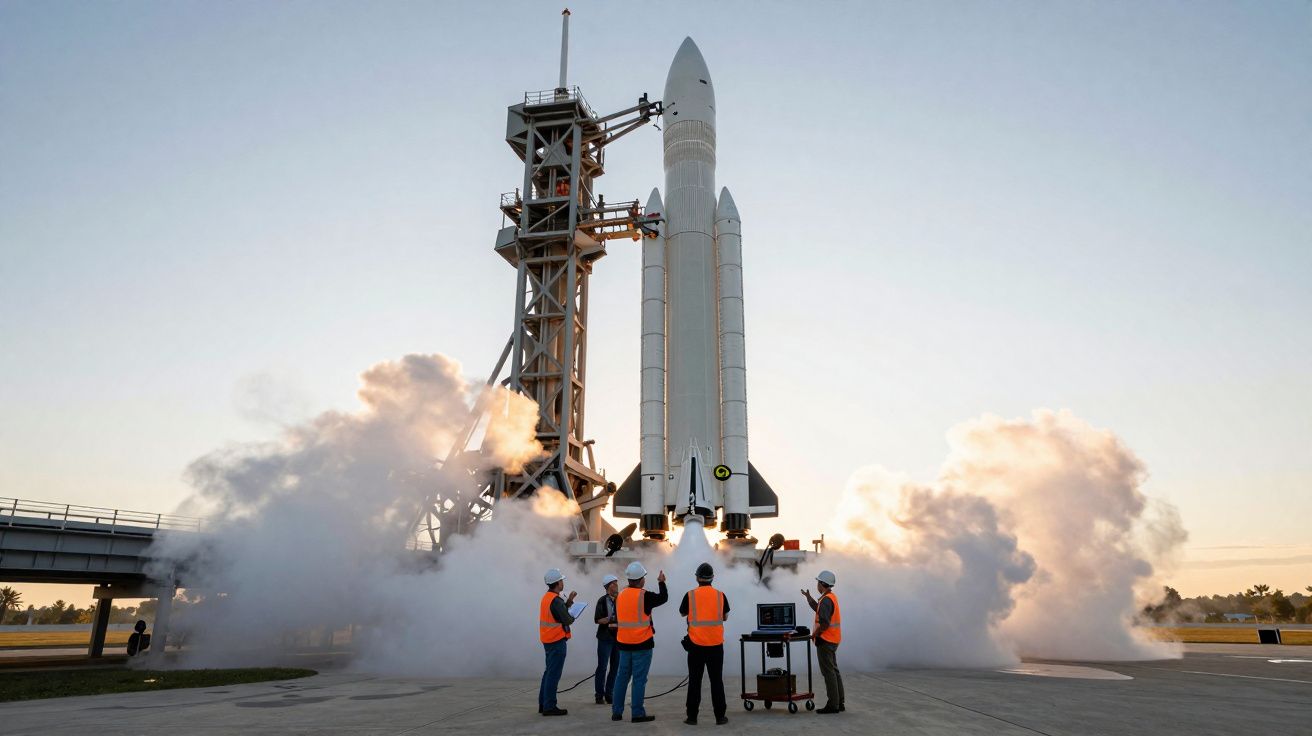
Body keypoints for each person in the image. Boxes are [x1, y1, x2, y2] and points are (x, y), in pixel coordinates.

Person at [611, 561, 668, 723]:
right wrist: (661, 582)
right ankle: (637, 713)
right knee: (639, 680)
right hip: (642, 644)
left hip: (623, 644)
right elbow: (663, 598)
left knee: (621, 678)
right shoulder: (645, 596)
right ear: (641, 579)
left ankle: (617, 712)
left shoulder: (620, 595)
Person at [680, 562, 730, 726]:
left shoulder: (690, 595)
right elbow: (725, 617)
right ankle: (720, 717)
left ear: (697, 578)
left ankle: (692, 717)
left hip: (696, 645)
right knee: (716, 681)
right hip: (716, 645)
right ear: (712, 578)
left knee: (695, 681)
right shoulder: (720, 595)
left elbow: (682, 613)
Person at [802, 570, 844, 714]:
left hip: (825, 640)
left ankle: (833, 705)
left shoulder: (826, 600)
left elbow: (824, 622)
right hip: (833, 639)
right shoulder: (830, 597)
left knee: (829, 673)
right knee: (834, 671)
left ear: (822, 584)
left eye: (818, 582)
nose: (816, 585)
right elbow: (819, 610)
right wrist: (809, 598)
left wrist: (815, 634)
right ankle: (840, 702)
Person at [539, 567, 577, 716]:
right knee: (553, 674)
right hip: (556, 640)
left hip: (548, 640)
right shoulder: (555, 600)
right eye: (561, 580)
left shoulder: (547, 597)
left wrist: (568, 603)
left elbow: (557, 612)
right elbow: (567, 619)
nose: (563, 583)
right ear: (557, 583)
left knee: (548, 672)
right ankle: (549, 706)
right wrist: (573, 615)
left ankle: (543, 703)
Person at [593, 573, 621, 704]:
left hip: (618, 638)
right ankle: (599, 695)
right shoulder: (602, 601)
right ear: (608, 586)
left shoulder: (621, 599)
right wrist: (610, 619)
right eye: (614, 583)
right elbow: (597, 619)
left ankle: (609, 694)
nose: (616, 585)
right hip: (605, 638)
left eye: (616, 583)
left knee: (615, 667)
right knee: (602, 667)